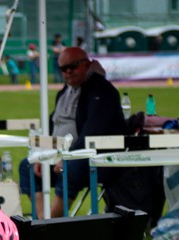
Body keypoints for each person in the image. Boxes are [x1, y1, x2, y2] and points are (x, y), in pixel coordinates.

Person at [17, 46, 127, 218]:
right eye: (63, 68)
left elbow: (93, 131)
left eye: (73, 66)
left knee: (69, 168)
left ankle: (54, 224)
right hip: (63, 154)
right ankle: (41, 222)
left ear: (86, 63)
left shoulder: (101, 91)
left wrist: (68, 156)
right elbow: (52, 126)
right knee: (27, 165)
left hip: (95, 158)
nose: (68, 71)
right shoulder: (64, 92)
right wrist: (41, 154)